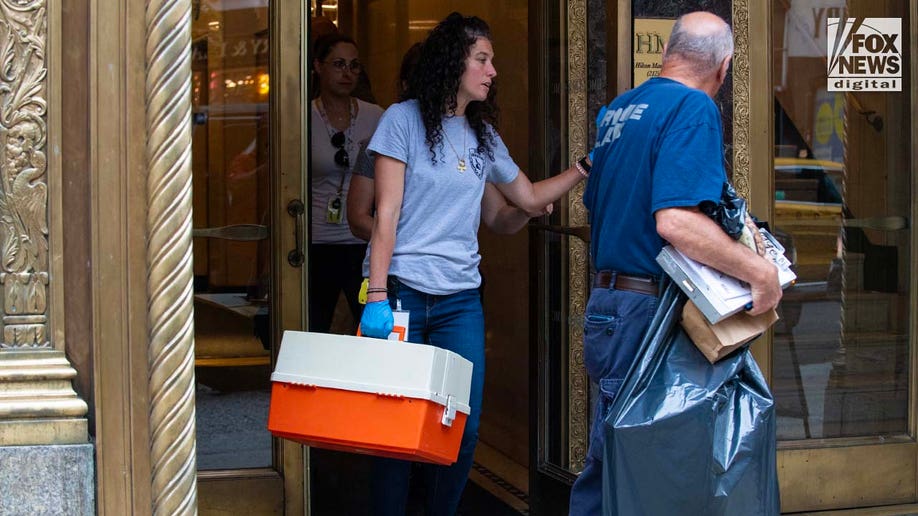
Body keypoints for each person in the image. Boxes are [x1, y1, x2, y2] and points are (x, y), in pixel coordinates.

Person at [357, 13, 588, 515]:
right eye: (482, 59)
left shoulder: (483, 136)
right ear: (453, 62)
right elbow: (387, 213)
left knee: (461, 426)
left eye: (492, 61)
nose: (492, 71)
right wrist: (375, 295)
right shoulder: (403, 119)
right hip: (400, 293)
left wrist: (583, 169)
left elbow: (515, 204)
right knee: (393, 428)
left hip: (460, 300)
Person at [570, 12, 782, 514]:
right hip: (651, 311)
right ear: (724, 66)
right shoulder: (693, 107)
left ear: (671, 51)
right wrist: (759, 271)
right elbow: (676, 222)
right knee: (649, 466)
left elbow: (600, 203)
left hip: (612, 304)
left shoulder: (620, 110)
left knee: (613, 455)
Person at [347, 43, 549, 242]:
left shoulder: (466, 143)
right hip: (403, 267)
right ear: (405, 85)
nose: (435, 90)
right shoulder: (389, 137)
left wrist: (527, 211)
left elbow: (498, 217)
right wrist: (413, 246)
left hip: (457, 269)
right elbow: (357, 218)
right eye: (425, 83)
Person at [309, 33, 384, 333]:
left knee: (371, 331)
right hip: (315, 243)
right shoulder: (303, 116)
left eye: (354, 66)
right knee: (314, 330)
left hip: (362, 242)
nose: (347, 73)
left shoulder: (376, 116)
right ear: (318, 66)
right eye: (338, 64)